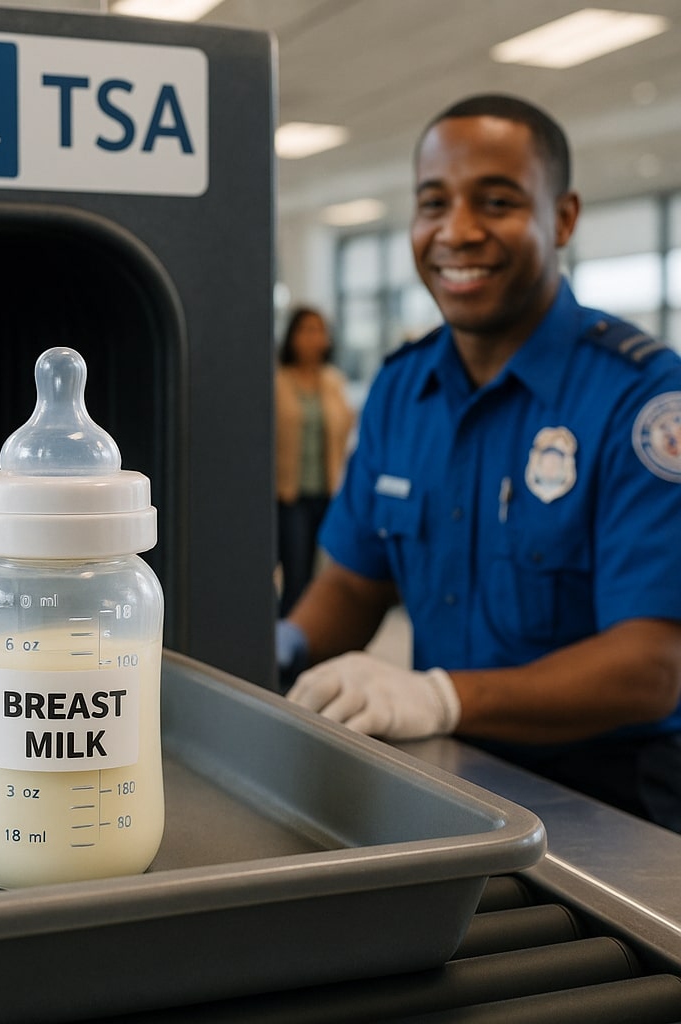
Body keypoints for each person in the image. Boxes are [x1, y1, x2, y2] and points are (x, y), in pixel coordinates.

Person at [278, 93, 681, 831]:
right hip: (453, 772)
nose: (457, 231)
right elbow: (352, 584)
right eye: (434, 203)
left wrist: (440, 695)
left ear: (561, 219)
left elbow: (651, 667)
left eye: (496, 202)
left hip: (616, 795)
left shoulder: (645, 398)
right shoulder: (403, 387)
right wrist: (280, 649)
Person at [275, 306, 355, 616]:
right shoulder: (278, 381)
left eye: (319, 330)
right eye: (307, 330)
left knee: (321, 578)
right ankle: (286, 647)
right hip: (289, 493)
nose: (314, 338)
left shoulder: (334, 381)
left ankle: (308, 638)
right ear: (292, 336)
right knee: (294, 576)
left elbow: (344, 429)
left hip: (327, 491)